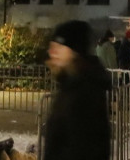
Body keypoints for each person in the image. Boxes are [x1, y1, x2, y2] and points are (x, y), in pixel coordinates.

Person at [43, 20, 111, 160]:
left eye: (59, 46)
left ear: (75, 51)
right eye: (52, 46)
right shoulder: (69, 84)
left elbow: (85, 149)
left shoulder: (86, 90)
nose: (52, 52)